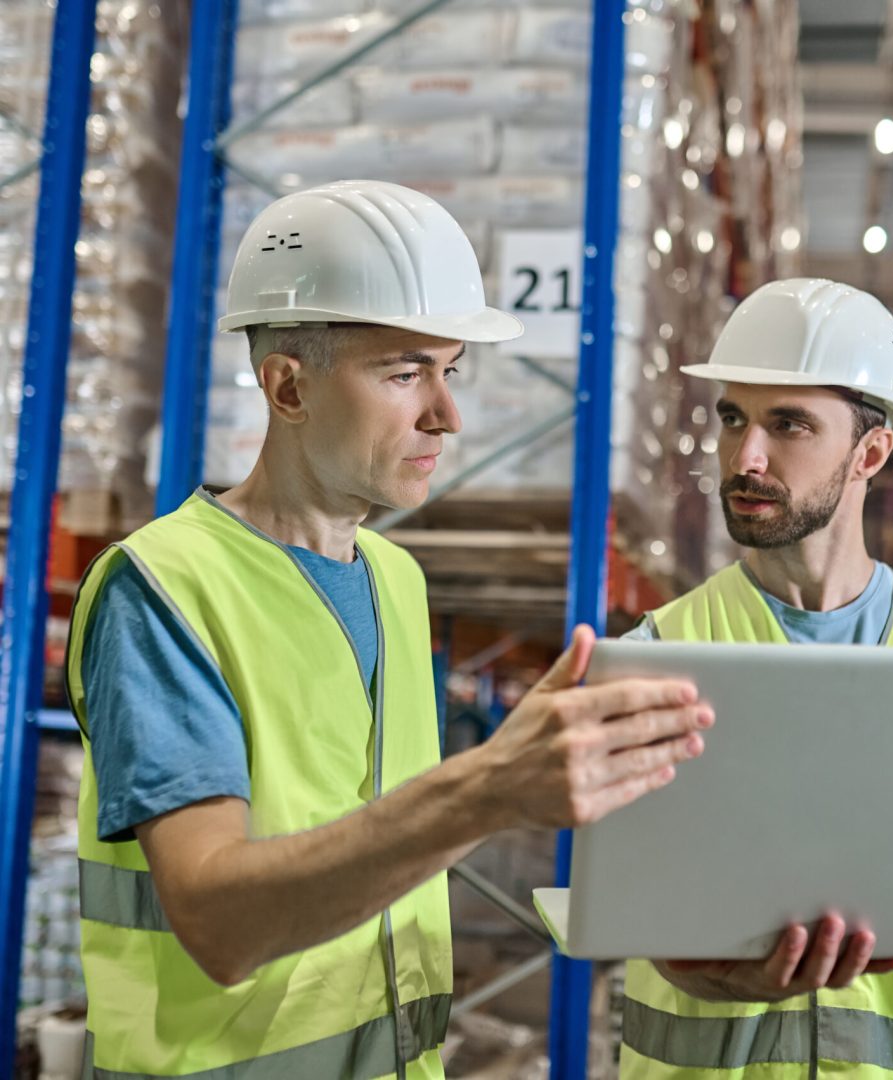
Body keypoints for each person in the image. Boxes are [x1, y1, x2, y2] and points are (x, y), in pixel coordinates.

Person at [65, 180, 716, 1079]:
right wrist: (489, 788)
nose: (446, 415)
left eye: (451, 371)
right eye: (406, 373)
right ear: (287, 386)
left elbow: (384, 855)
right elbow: (219, 923)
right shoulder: (165, 587)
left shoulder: (397, 581)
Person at [617, 278, 893, 1079]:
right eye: (733, 419)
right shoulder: (663, 644)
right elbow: (625, 906)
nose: (745, 457)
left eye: (788, 425)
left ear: (870, 453)